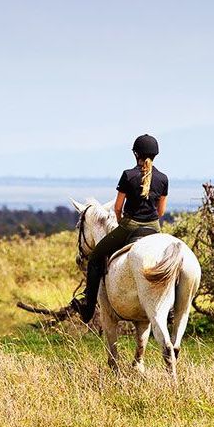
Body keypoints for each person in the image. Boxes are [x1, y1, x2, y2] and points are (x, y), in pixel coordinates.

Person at [70, 133, 168, 323]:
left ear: (135, 154)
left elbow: (117, 207)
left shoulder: (128, 175)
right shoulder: (163, 178)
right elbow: (161, 211)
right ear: (155, 155)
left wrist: (122, 221)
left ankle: (87, 308)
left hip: (130, 226)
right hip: (154, 229)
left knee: (96, 256)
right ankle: (169, 308)